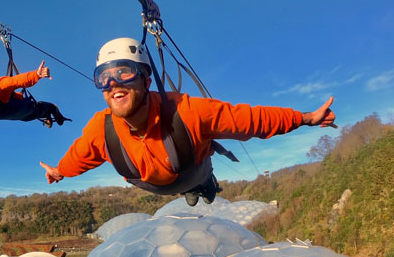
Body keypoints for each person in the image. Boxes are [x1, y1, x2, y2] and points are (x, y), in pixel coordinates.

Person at [39, 37, 337, 206]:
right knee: (170, 177)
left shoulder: (187, 111)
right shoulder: (100, 130)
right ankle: (194, 189)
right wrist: (59, 171)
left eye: (124, 72)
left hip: (192, 170)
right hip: (151, 185)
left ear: (145, 78)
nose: (114, 83)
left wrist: (306, 119)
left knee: (197, 175)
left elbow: (250, 120)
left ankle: (205, 186)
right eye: (103, 78)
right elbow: (80, 155)